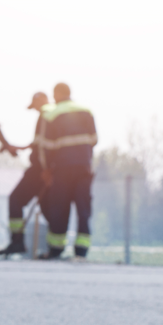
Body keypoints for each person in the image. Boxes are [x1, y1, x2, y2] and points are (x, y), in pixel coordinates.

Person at [37, 82, 97, 259]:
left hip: (62, 169)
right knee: (83, 210)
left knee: (59, 209)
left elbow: (45, 147)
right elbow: (94, 139)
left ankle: (56, 249)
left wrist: (47, 169)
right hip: (84, 168)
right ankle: (81, 250)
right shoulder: (87, 111)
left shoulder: (51, 114)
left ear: (56, 94)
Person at [0, 91, 50, 256]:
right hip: (45, 169)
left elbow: (40, 146)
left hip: (40, 169)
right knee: (48, 207)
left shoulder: (46, 115)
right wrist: (17, 148)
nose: (35, 110)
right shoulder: (48, 116)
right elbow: (37, 144)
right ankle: (55, 249)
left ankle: (17, 241)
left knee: (15, 200)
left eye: (35, 106)